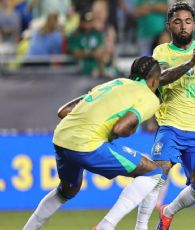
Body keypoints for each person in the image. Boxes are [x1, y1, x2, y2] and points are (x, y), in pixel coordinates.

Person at [23, 56, 165, 230]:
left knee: (67, 191)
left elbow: (63, 111)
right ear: (154, 81)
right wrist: (131, 129)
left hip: (61, 138)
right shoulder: (149, 97)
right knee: (154, 172)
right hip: (87, 144)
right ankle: (107, 226)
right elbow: (120, 129)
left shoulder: (112, 84)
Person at [134, 2, 195, 230]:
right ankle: (140, 227)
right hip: (170, 126)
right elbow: (162, 78)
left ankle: (168, 212)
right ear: (169, 26)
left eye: (188, 21)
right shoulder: (162, 51)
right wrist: (190, 62)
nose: (183, 26)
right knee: (158, 172)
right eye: (177, 22)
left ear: (194, 24)